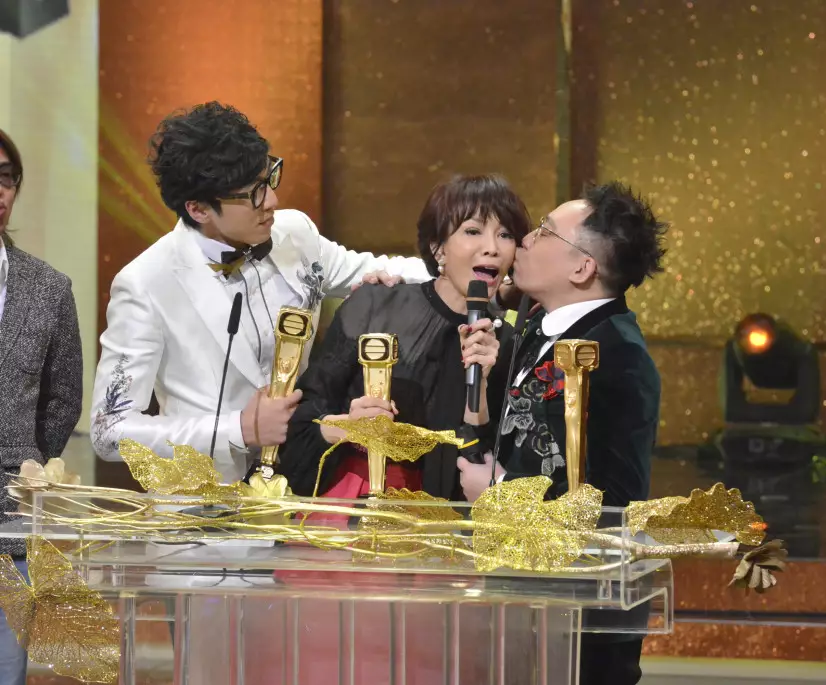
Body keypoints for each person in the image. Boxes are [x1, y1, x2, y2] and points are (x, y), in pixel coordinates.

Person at [90, 102, 431, 482]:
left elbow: (384, 271)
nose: (271, 201)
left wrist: (470, 275)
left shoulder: (294, 234)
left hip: (302, 487)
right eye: (251, 194)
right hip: (203, 504)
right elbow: (109, 431)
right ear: (199, 209)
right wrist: (238, 430)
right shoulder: (145, 283)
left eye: (268, 180)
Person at [457, 181, 666, 685]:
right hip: (523, 586)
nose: (525, 239)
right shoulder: (538, 328)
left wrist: (499, 492)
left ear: (582, 268)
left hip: (581, 613)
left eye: (545, 231)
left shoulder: (618, 353)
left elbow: (613, 499)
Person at [279, 173, 529, 500]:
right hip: (357, 503)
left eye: (505, 235)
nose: (492, 248)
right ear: (438, 247)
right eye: (473, 231)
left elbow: (483, 462)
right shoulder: (376, 304)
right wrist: (347, 426)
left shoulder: (505, 343)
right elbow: (302, 418)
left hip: (443, 518)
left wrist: (479, 390)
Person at [0, 128, 84, 685]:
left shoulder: (48, 289)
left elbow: (63, 400)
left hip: (9, 517)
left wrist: (24, 465)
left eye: (5, 179)